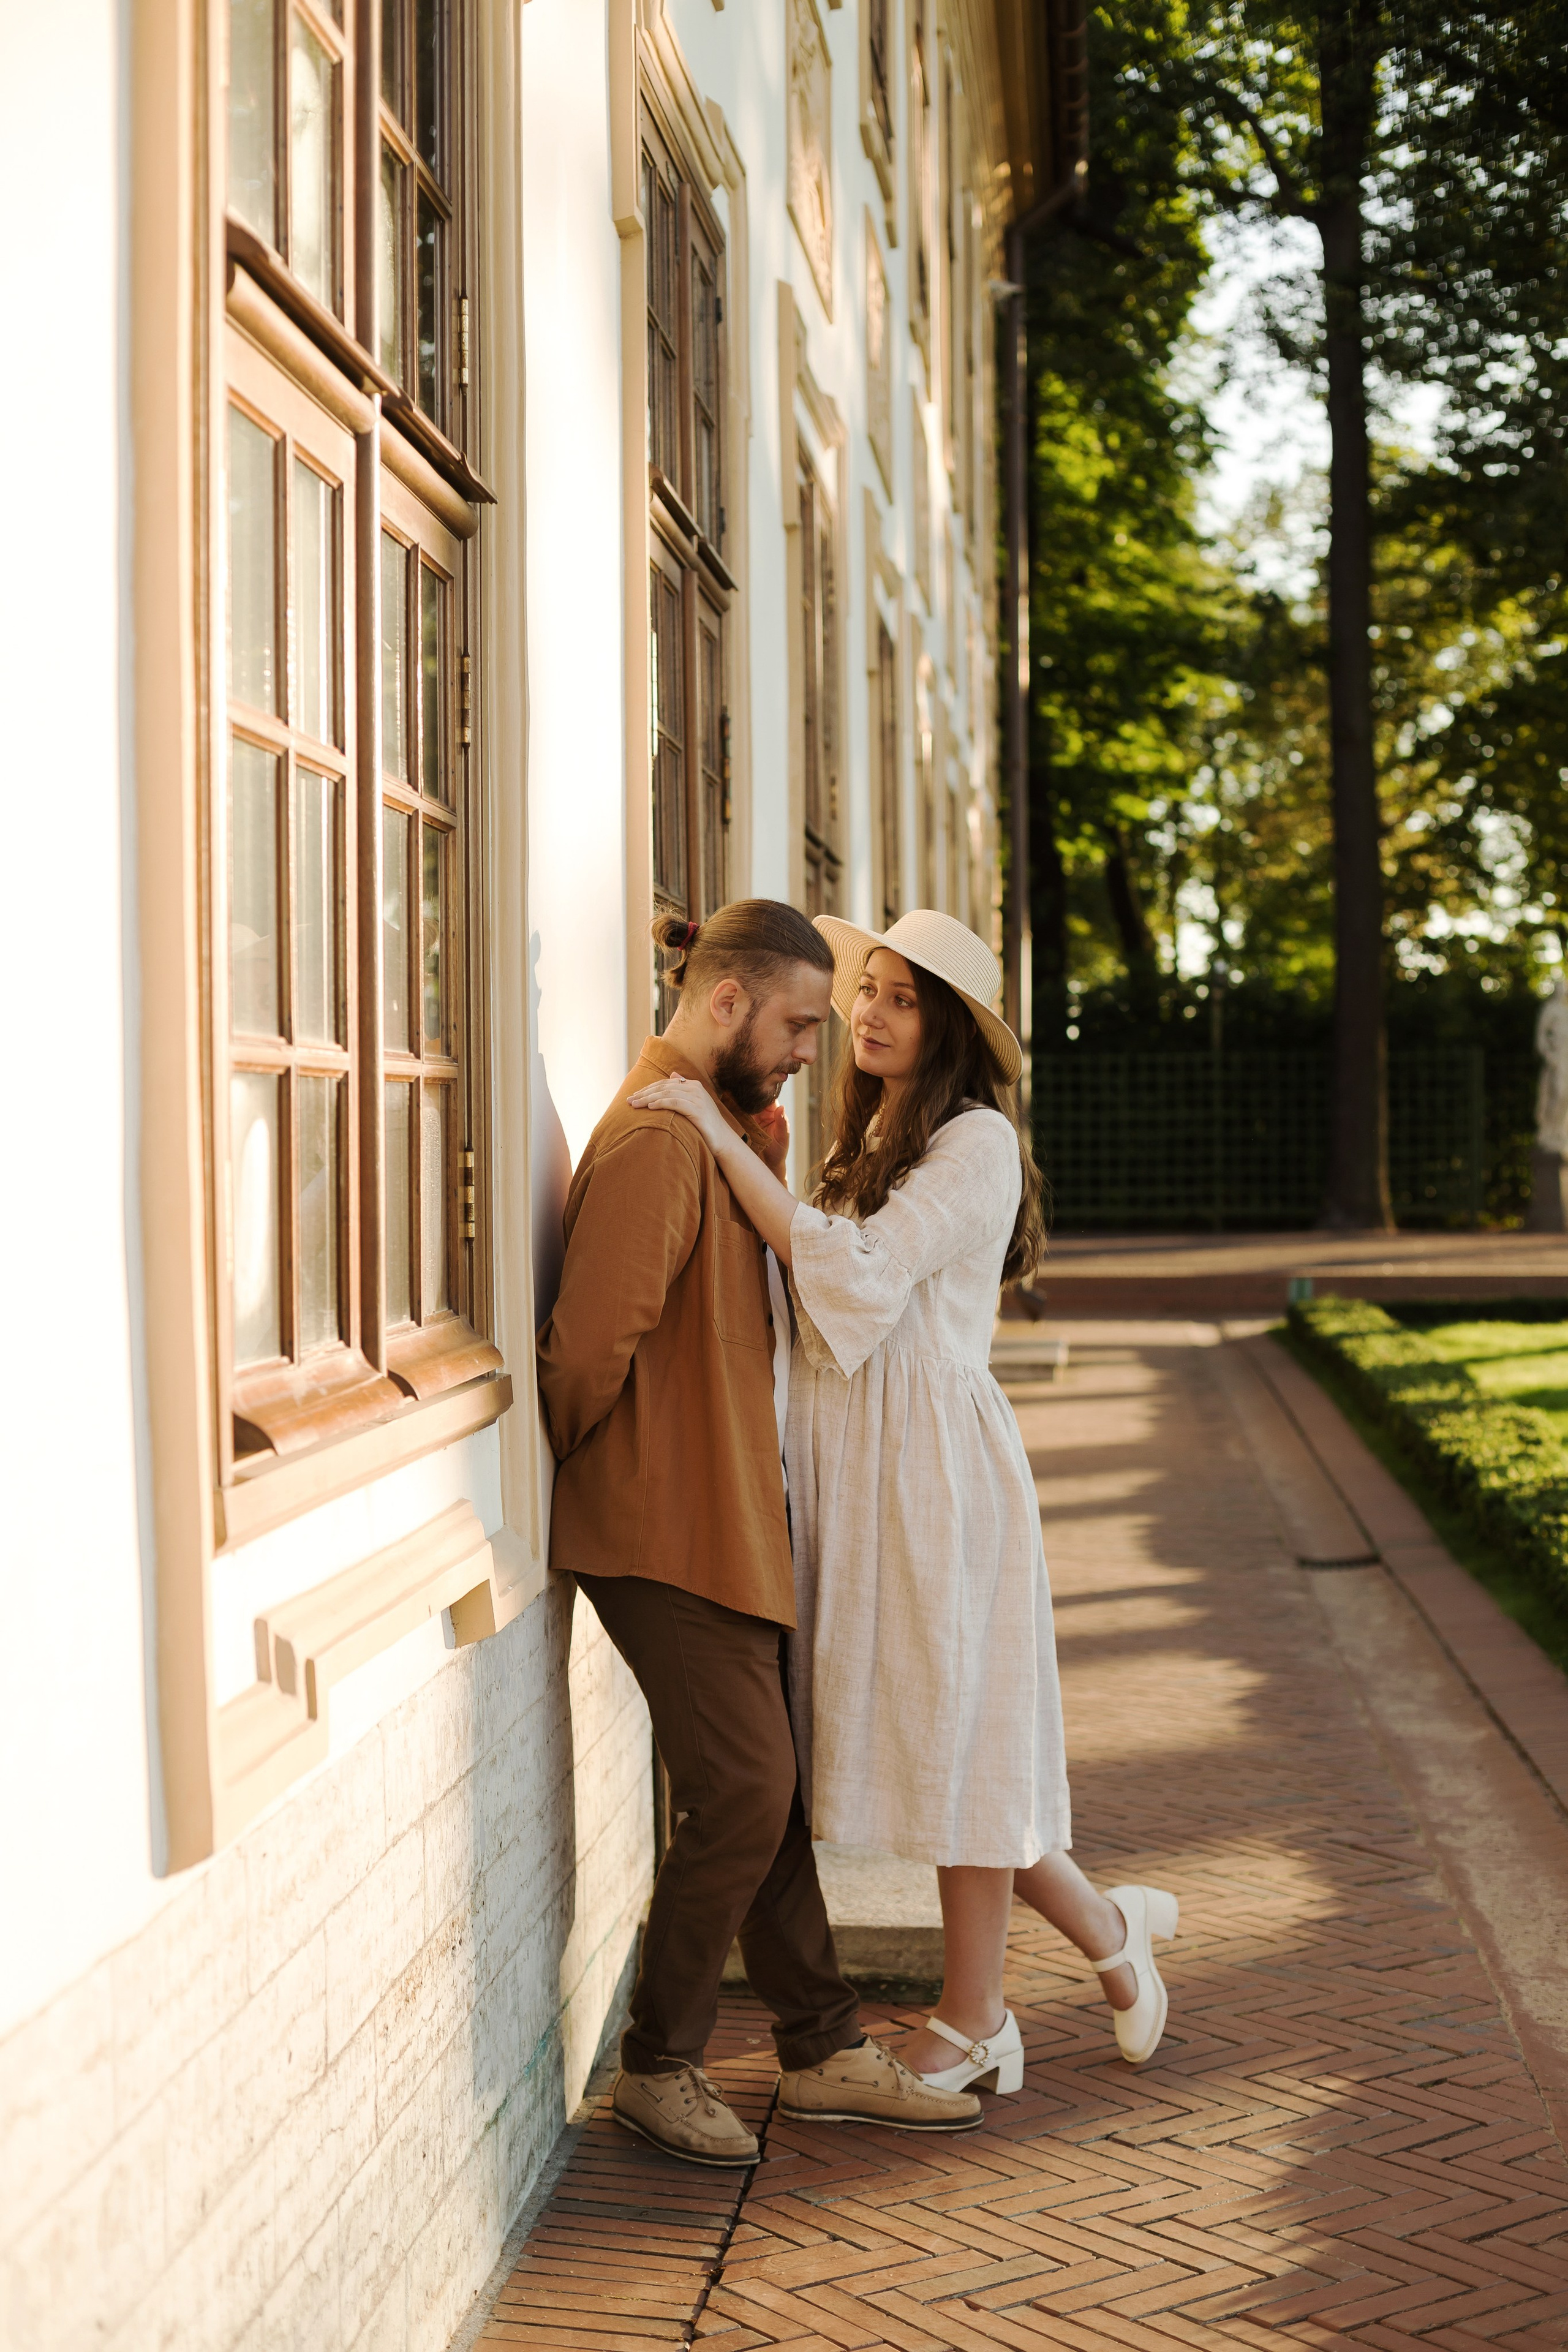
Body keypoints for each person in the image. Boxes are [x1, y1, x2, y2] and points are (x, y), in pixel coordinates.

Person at [629, 908, 1178, 2108]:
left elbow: (859, 1275)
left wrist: (716, 1139)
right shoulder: (876, 1132)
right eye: (866, 989)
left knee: (957, 1741)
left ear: (950, 1026)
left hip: (932, 1478)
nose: (869, 1014)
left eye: (900, 998)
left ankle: (979, 2021)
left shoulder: (974, 1139)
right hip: (863, 1472)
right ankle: (1107, 1930)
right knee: (944, 1739)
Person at [536, 899, 986, 2168]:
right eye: (796, 1023)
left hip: (729, 1524)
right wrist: (604, 1483)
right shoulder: (656, 1142)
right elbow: (585, 1354)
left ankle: (823, 2043)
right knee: (744, 1790)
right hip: (663, 1527)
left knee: (766, 1793)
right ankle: (657, 2064)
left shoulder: (721, 1135)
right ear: (726, 1001)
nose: (810, 1048)